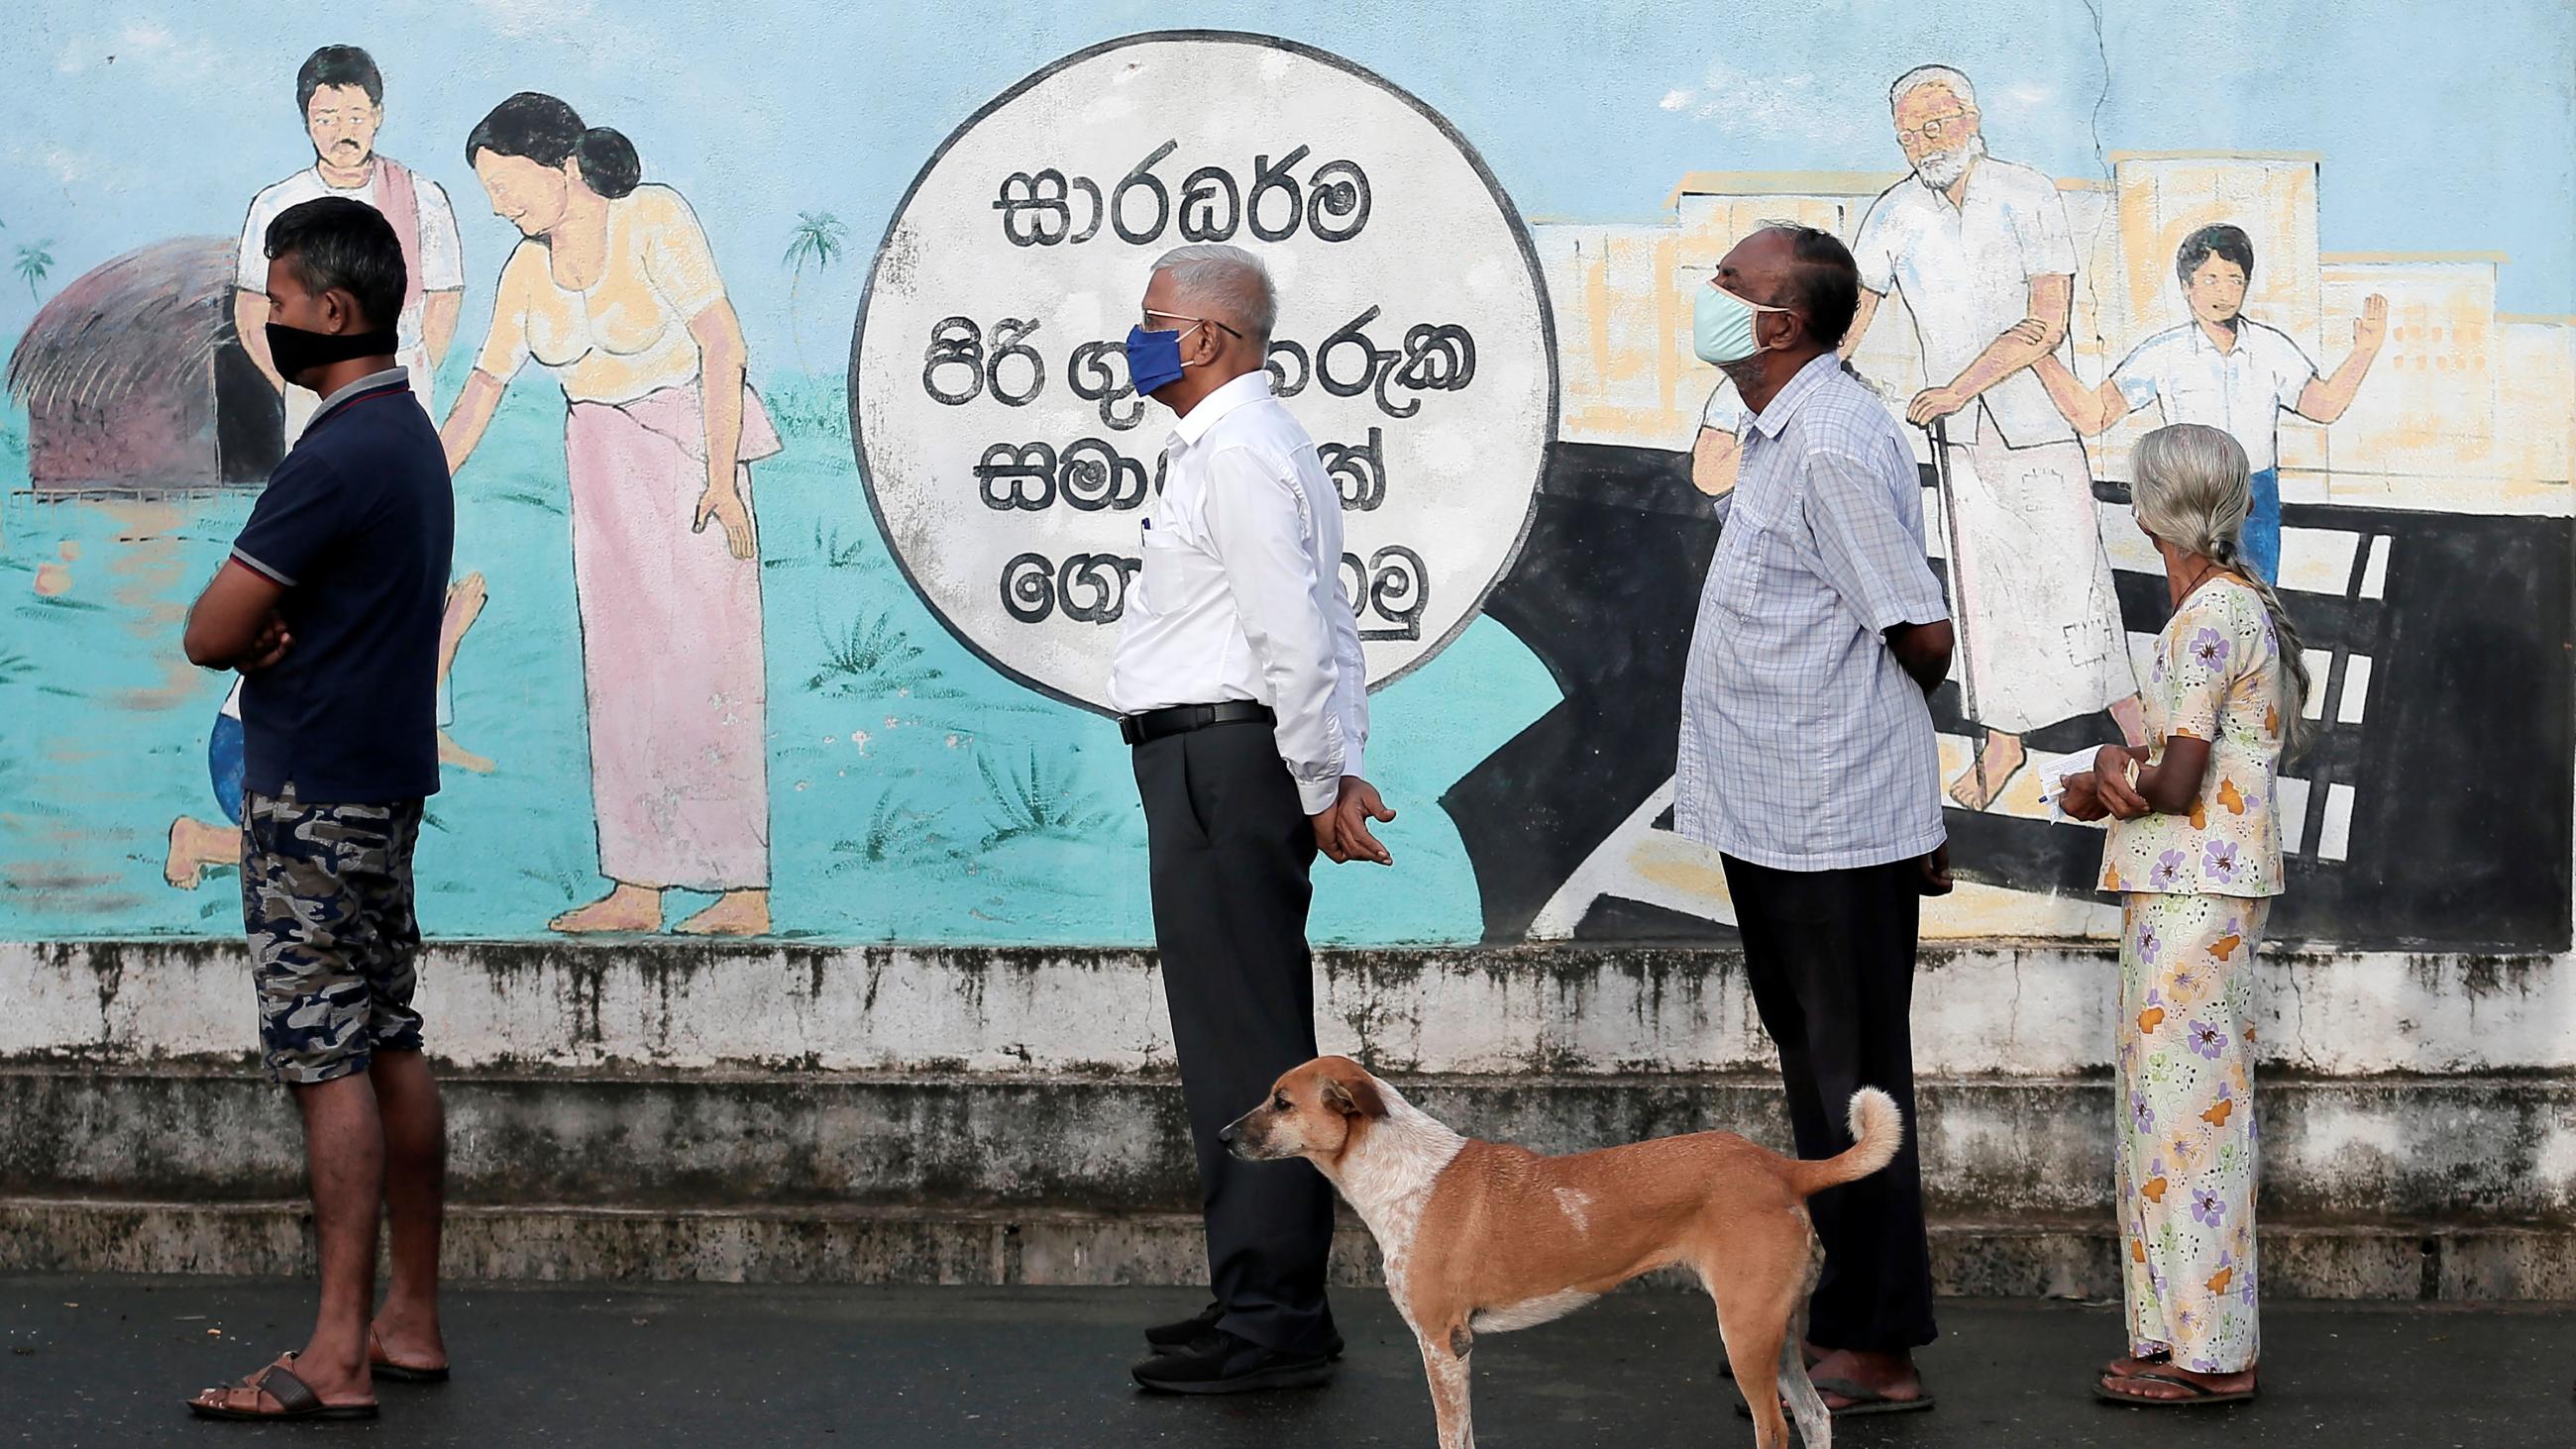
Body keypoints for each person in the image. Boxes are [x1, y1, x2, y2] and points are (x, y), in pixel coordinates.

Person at [180, 196, 454, 1421]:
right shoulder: (407, 438)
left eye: (283, 300)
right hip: (384, 783)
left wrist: (257, 626)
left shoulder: (332, 452)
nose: (273, 318)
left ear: (332, 311)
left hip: (310, 793)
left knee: (322, 1050)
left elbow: (208, 630)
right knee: (386, 1033)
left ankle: (336, 1350)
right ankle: (408, 1318)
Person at [1676, 223, 1956, 1416]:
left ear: (1779, 323)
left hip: (1831, 820)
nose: (1710, 295)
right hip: (1778, 815)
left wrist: (1891, 778)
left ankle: (1877, 1344)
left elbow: (1919, 629)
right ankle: (1834, 1318)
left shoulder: (1833, 442)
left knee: (1854, 1088)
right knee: (1820, 1079)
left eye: (1728, 284)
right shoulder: (1772, 429)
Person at [1111, 243, 1396, 1395]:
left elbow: (1291, 629)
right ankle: (1263, 1295)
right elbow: (1324, 619)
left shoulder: (1236, 450)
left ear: (1207, 340)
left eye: (1149, 319)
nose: (1133, 337)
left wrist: (1322, 774)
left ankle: (1271, 1316)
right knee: (1240, 1029)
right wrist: (1334, 765)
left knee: (1241, 1043)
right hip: (1223, 758)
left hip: (1223, 762)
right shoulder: (1245, 445)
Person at [440, 93, 778, 937]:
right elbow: (482, 390)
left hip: (693, 451)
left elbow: (723, 343)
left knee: (711, 664)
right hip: (600, 464)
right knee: (620, 673)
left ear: (560, 167)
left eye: (508, 184)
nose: (499, 205)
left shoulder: (653, 218)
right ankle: (637, 883)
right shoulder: (524, 270)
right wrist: (415, 479)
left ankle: (742, 888)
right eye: (488, 192)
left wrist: (723, 475)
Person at [2060, 423, 2305, 1407]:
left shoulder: (2207, 614)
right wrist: (2121, 768)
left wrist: (2098, 776)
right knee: (2169, 1115)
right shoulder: (2237, 605)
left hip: (2190, 893)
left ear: (2150, 511)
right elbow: (2170, 763)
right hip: (2191, 887)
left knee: (2187, 1122)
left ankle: (2213, 1354)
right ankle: (2176, 1335)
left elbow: (2174, 778)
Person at [1845, 64, 2143, 810]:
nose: (1922, 142)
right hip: (1960, 438)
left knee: (2078, 580)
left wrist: (1956, 387)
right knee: (1981, 599)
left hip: (2037, 422)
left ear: (1971, 117)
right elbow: (1855, 310)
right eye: (1908, 132)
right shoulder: (1892, 214)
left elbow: (2049, 319)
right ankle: (2001, 743)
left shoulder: (2026, 191)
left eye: (1935, 125)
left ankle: (2138, 733)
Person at [2027, 224, 2389, 583]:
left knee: (2257, 607)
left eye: (2235, 279)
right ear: (2187, 287)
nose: (2225, 291)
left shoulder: (2271, 348)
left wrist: (2365, 350)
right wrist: (2041, 357)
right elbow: (2094, 416)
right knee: (2200, 612)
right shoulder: (2164, 353)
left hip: (2255, 493)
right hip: (2191, 495)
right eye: (2210, 279)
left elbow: (2323, 407)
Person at [236, 46, 464, 441]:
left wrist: (407, 372)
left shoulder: (422, 198)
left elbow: (444, 299)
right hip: (311, 392)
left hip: (399, 384)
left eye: (355, 117)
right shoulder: (275, 204)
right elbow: (253, 310)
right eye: (326, 118)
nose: (343, 132)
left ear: (377, 115)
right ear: (307, 121)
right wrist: (297, 385)